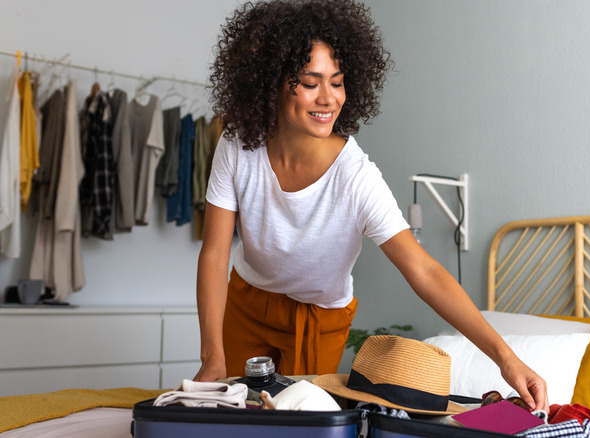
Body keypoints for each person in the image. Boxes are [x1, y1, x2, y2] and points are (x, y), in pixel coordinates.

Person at [194, 0, 549, 411]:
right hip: (247, 302)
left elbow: (425, 271)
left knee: (299, 423)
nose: (328, 98)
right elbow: (216, 253)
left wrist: (507, 360)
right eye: (310, 83)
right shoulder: (238, 144)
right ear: (271, 82)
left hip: (319, 319)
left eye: (338, 82)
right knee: (232, 417)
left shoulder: (356, 177)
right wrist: (212, 355)